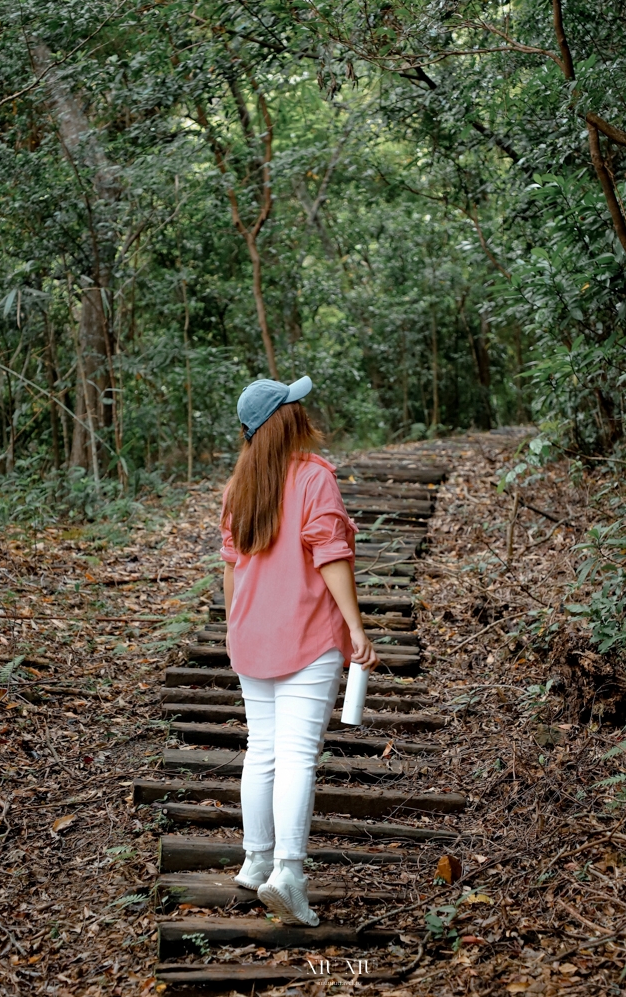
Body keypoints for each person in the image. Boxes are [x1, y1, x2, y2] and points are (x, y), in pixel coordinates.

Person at [219, 375, 379, 927]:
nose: (303, 408)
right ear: (284, 420)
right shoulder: (313, 478)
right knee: (295, 755)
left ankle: (255, 857)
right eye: (295, 403)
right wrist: (356, 628)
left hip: (251, 634)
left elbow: (231, 566)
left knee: (261, 748)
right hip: (307, 633)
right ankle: (288, 872)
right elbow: (331, 555)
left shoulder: (241, 483)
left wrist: (231, 625)